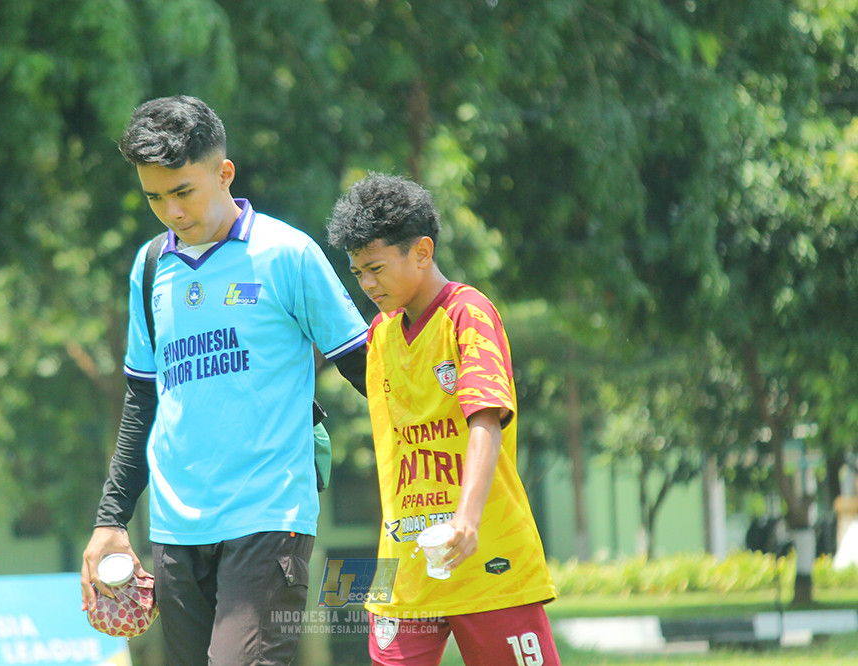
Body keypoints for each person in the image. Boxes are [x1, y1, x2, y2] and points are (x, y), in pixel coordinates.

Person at [81, 95, 368, 666]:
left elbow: (366, 367)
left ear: (223, 172)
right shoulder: (147, 270)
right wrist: (111, 520)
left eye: (183, 191)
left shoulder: (288, 254)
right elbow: (143, 401)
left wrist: (445, 440)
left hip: (268, 513)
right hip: (174, 526)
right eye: (154, 197)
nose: (171, 211)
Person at [327, 173, 560, 666]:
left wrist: (466, 520)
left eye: (375, 268)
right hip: (405, 572)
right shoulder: (380, 336)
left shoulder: (467, 313)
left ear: (422, 251)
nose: (367, 284)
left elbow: (485, 420)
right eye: (357, 273)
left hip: (487, 559)